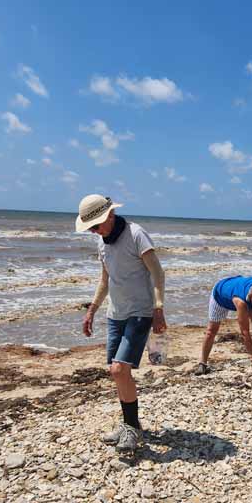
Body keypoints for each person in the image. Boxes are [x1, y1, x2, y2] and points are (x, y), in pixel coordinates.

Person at [76, 194, 166, 454]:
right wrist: (91, 310)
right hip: (115, 314)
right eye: (90, 228)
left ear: (109, 216)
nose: (94, 231)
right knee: (118, 373)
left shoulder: (136, 235)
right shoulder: (102, 243)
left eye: (96, 225)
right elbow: (105, 281)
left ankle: (131, 428)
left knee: (119, 370)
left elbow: (158, 273)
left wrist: (158, 309)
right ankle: (131, 425)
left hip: (140, 311)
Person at [195, 275, 252, 376]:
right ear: (251, 296)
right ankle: (202, 363)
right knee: (211, 331)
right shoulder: (241, 302)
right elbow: (245, 333)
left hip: (242, 293)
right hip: (220, 297)